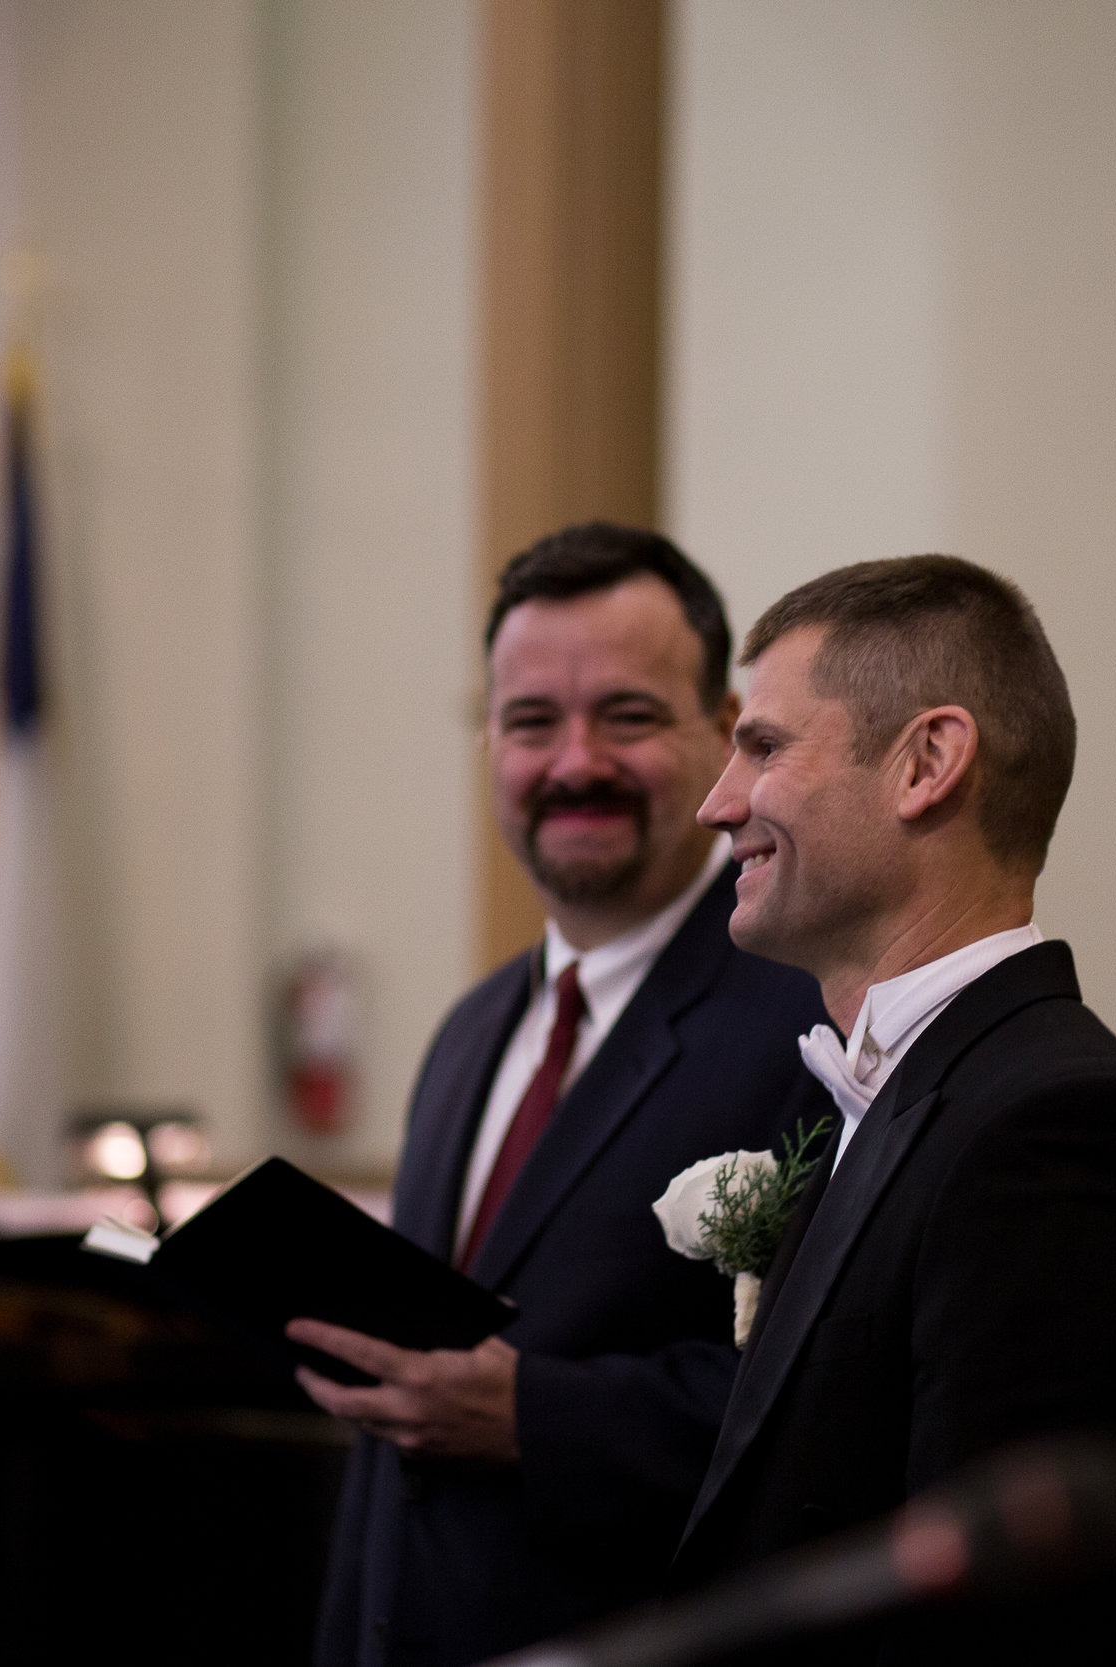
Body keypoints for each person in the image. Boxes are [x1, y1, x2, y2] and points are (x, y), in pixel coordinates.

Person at [672, 555, 1116, 1664]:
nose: (717, 802)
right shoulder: (908, 1090)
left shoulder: (1057, 1131)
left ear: (926, 762)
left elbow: (1027, 1627)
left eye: (763, 745)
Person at [296, 523, 831, 1667]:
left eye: (627, 715)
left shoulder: (805, 1023)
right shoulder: (469, 1033)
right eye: (531, 720)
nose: (574, 761)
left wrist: (532, 1416)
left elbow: (817, 1415)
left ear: (722, 730)